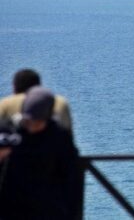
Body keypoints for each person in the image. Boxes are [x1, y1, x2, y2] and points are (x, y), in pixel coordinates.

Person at [0, 87, 80, 219]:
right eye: (29, 122)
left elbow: (71, 177)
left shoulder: (59, 137)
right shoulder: (10, 132)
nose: (32, 126)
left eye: (37, 123)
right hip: (12, 209)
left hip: (47, 210)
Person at [0, 69, 73, 133]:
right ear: (39, 86)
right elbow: (67, 133)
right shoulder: (59, 102)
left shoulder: (5, 104)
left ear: (14, 87)